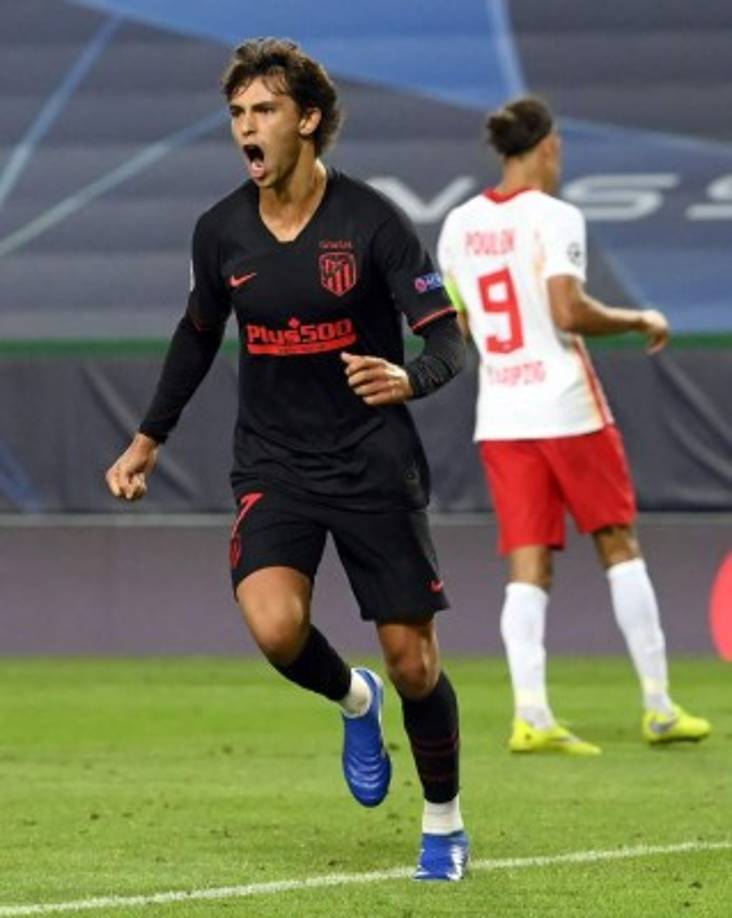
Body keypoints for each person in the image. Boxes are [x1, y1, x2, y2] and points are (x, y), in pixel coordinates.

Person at [105, 38, 469, 879]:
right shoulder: (220, 232)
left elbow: (447, 339)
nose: (246, 127)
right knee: (275, 629)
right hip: (275, 463)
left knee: (415, 663)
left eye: (262, 110)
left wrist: (409, 380)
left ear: (307, 120)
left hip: (373, 462)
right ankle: (353, 698)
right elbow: (197, 337)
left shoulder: (372, 222)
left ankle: (444, 822)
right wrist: (147, 438)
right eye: (236, 113)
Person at [437, 96, 710, 756]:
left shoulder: (457, 225)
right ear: (549, 147)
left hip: (502, 413)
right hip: (565, 405)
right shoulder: (555, 216)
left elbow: (463, 320)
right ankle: (657, 705)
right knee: (618, 543)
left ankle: (531, 714)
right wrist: (638, 319)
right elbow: (566, 309)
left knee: (527, 562)